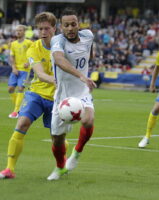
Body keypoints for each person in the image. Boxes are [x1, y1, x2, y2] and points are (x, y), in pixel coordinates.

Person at [0, 12, 57, 179]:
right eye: (40, 28)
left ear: (54, 28)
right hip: (36, 92)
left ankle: (62, 164)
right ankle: (9, 169)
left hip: (58, 97)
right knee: (22, 124)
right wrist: (59, 81)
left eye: (47, 28)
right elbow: (40, 74)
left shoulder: (64, 47)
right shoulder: (33, 48)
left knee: (56, 136)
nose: (43, 32)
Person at [47, 8, 96, 181]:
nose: (70, 28)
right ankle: (60, 167)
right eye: (66, 25)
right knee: (57, 139)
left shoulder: (88, 35)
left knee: (88, 120)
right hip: (62, 97)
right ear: (61, 26)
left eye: (73, 24)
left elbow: (90, 52)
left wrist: (87, 68)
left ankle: (77, 153)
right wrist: (82, 75)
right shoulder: (57, 40)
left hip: (82, 92)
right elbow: (60, 60)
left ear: (78, 24)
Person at [8, 25, 33, 118]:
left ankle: (16, 111)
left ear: (24, 32)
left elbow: (34, 54)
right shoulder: (13, 44)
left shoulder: (29, 43)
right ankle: (18, 107)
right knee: (10, 89)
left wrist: (28, 62)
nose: (18, 32)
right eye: (17, 30)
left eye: (20, 30)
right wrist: (13, 67)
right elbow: (12, 56)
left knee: (20, 88)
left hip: (25, 70)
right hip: (16, 69)